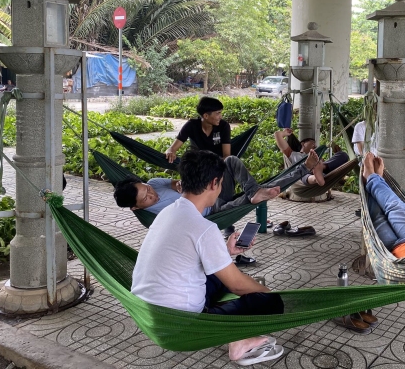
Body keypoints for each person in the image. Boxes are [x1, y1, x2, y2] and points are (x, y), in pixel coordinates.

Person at [131, 149, 284, 365]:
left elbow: (185, 254)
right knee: (271, 302)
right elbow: (237, 286)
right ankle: (238, 340)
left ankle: (236, 326)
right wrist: (265, 292)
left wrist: (225, 251)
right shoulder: (204, 227)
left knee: (223, 277)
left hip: (148, 313)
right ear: (214, 184)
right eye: (221, 184)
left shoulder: (167, 212)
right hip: (181, 325)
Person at [114, 152, 320, 215]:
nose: (152, 194)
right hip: (214, 211)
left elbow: (177, 181)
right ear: (135, 207)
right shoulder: (153, 217)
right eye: (146, 198)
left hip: (209, 190)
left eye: (147, 189)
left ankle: (253, 191)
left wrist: (177, 185)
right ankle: (303, 169)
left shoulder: (154, 183)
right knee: (268, 190)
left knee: (230, 161)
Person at [274, 128, 349, 186]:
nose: (315, 145)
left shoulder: (316, 155)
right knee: (303, 175)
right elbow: (277, 134)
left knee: (343, 155)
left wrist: (335, 154)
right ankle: (317, 178)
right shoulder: (293, 154)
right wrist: (284, 133)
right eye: (313, 143)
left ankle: (319, 169)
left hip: (320, 168)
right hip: (302, 173)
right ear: (303, 143)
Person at [166, 97, 231, 162]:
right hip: (196, 164)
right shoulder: (191, 125)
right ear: (206, 116)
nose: (221, 116)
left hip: (217, 164)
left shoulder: (224, 126)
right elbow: (173, 148)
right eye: (218, 113)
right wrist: (170, 152)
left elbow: (226, 155)